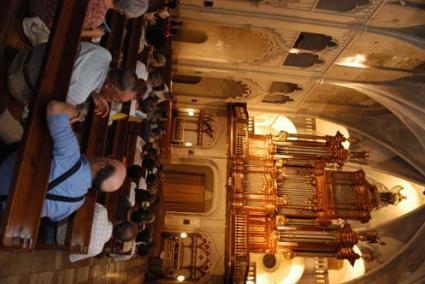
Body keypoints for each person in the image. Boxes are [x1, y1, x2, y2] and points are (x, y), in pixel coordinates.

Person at [0, 101, 126, 221]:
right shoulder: (75, 203)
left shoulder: (71, 155)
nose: (108, 156)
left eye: (111, 159)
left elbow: (54, 108)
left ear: (101, 165)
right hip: (5, 207)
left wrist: (78, 114)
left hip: (4, 163)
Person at [8, 42, 139, 118]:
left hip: (28, 51)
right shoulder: (79, 96)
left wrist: (95, 93)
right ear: (109, 86)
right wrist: (77, 114)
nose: (114, 102)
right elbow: (49, 110)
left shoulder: (104, 54)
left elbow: (82, 70)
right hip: (17, 80)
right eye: (118, 99)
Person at [29, 0, 149, 39]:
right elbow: (67, 31)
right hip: (42, 8)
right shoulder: (96, 18)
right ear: (124, 12)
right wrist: (93, 33)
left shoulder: (98, 16)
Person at [68, 204, 136, 262]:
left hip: (66, 212)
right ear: (118, 240)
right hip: (62, 239)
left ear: (119, 221)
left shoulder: (102, 211)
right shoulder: (97, 250)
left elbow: (83, 202)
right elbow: (72, 256)